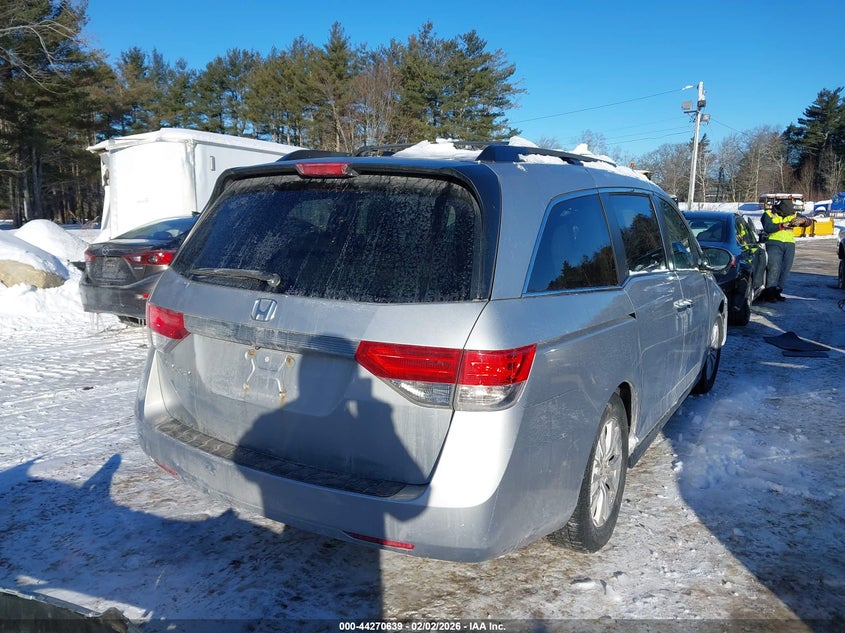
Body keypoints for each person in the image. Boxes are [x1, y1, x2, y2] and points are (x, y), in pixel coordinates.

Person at [760, 198, 801, 301]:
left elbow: (807, 221)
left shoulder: (793, 214)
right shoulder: (769, 214)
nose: (790, 214)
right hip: (774, 242)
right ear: (782, 210)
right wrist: (782, 225)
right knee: (774, 268)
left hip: (789, 243)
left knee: (785, 269)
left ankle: (778, 291)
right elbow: (768, 227)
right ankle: (770, 293)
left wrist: (804, 220)